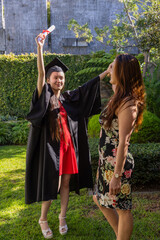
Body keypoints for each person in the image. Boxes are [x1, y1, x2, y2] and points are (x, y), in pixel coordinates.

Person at [25, 32, 109, 239]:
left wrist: (106, 73)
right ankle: (43, 219)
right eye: (56, 78)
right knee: (51, 183)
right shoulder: (43, 98)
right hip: (51, 150)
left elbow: (86, 88)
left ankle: (62, 216)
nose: (59, 80)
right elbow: (40, 75)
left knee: (65, 184)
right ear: (50, 80)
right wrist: (39, 48)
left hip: (68, 149)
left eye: (62, 78)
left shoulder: (68, 98)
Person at [93, 54, 146, 240]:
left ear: (122, 72)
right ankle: (119, 235)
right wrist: (109, 70)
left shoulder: (128, 103)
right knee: (98, 198)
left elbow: (124, 141)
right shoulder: (118, 96)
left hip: (117, 164)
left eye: (113, 67)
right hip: (105, 162)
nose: (109, 70)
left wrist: (117, 176)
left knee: (123, 208)